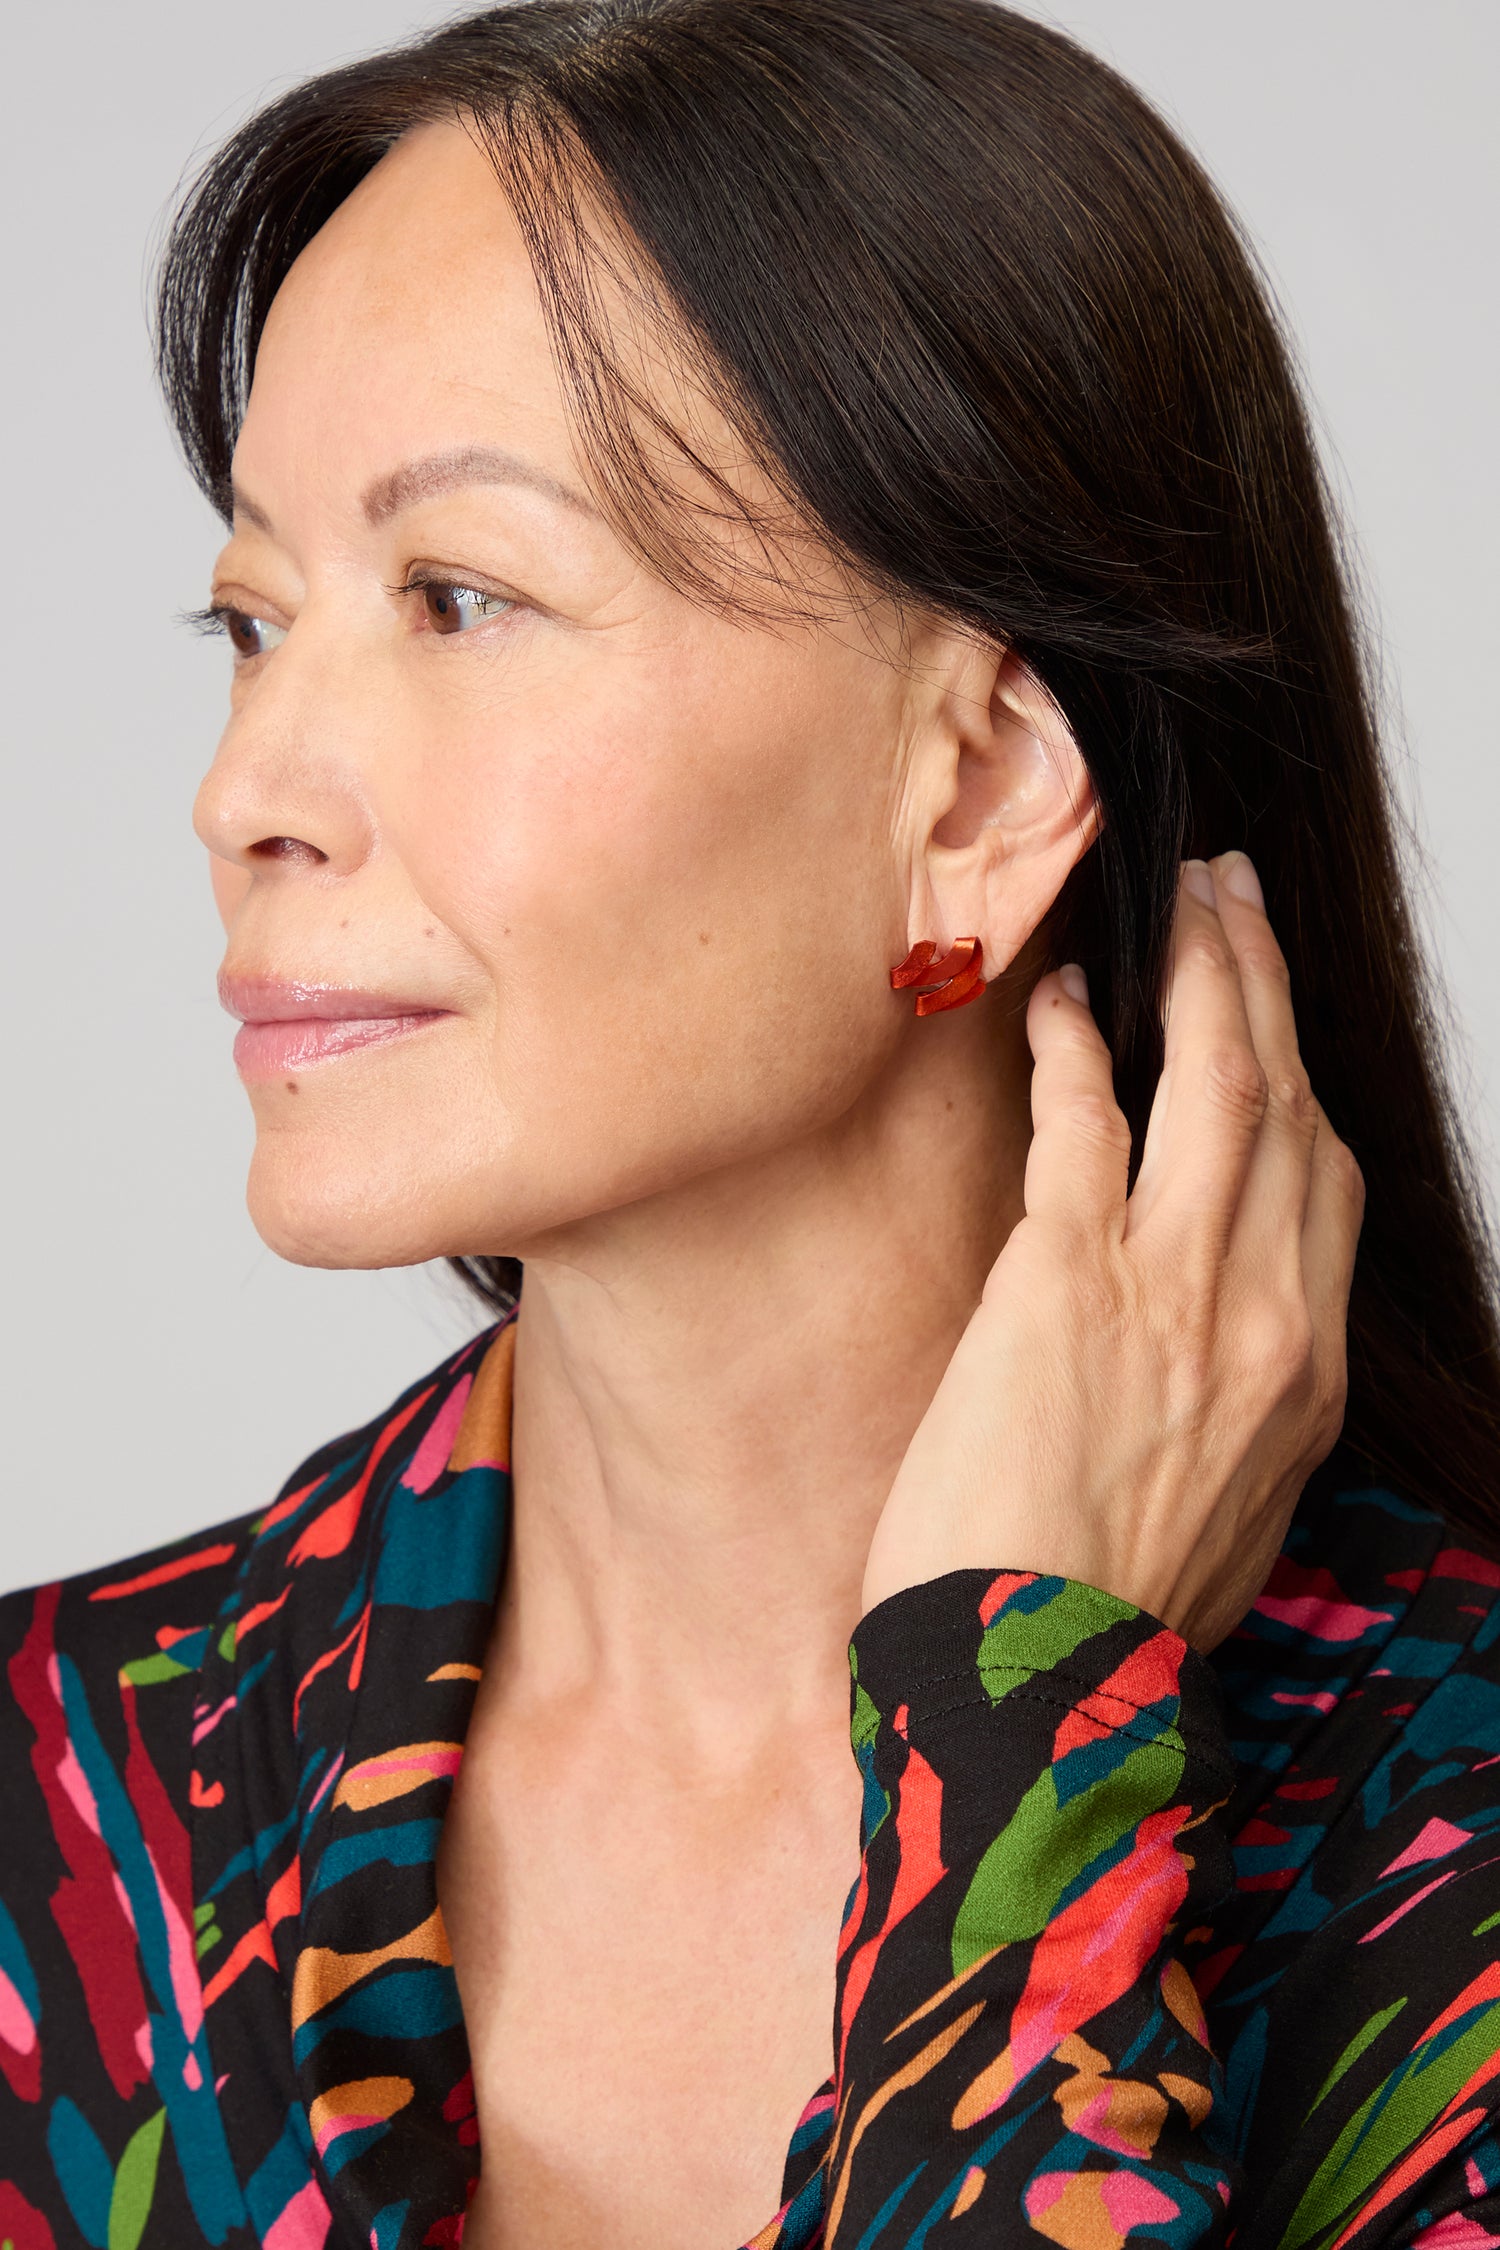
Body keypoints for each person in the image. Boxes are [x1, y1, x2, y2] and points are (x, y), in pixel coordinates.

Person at [4, 2, 1500, 2245]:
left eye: (461, 598)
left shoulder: (1444, 1847)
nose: (247, 797)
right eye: (253, 618)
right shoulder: (69, 1808)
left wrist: (1024, 1739)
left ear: (979, 790)